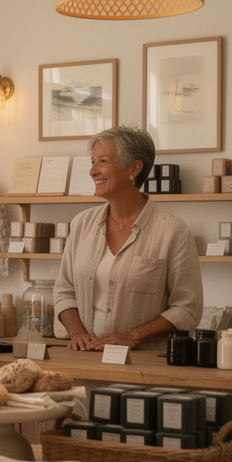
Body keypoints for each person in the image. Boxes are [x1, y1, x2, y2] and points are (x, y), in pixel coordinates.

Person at [54, 126, 202, 351]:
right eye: (92, 162)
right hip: (87, 358)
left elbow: (186, 309)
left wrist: (131, 337)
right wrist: (77, 333)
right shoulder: (81, 224)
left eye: (102, 161)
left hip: (143, 364)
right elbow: (64, 291)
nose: (93, 171)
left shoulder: (173, 231)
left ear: (134, 168)